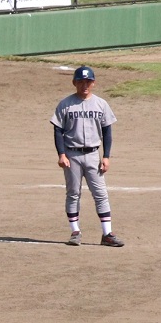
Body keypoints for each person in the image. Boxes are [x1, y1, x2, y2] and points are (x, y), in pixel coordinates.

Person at [51, 65, 124, 248]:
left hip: (93, 155)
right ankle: (75, 232)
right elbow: (58, 130)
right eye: (81, 82)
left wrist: (106, 156)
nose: (85, 85)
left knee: (100, 194)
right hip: (72, 155)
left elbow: (107, 132)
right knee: (73, 194)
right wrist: (61, 154)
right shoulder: (65, 104)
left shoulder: (101, 104)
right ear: (74, 83)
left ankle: (107, 234)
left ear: (93, 83)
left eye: (88, 82)